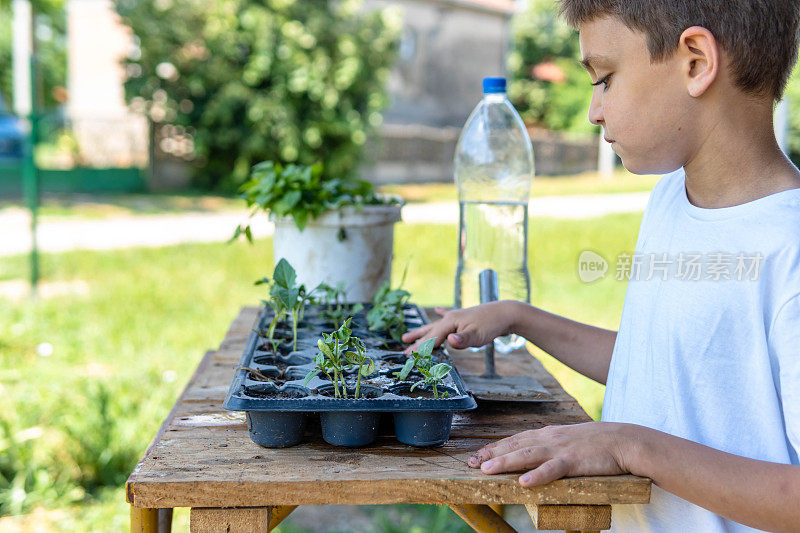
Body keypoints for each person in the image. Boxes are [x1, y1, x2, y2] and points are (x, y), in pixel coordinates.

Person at [402, 1, 800, 531]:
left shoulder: (788, 249)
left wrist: (630, 446)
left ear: (697, 62)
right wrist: (521, 317)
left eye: (605, 79)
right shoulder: (669, 201)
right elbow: (664, 373)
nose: (593, 111)